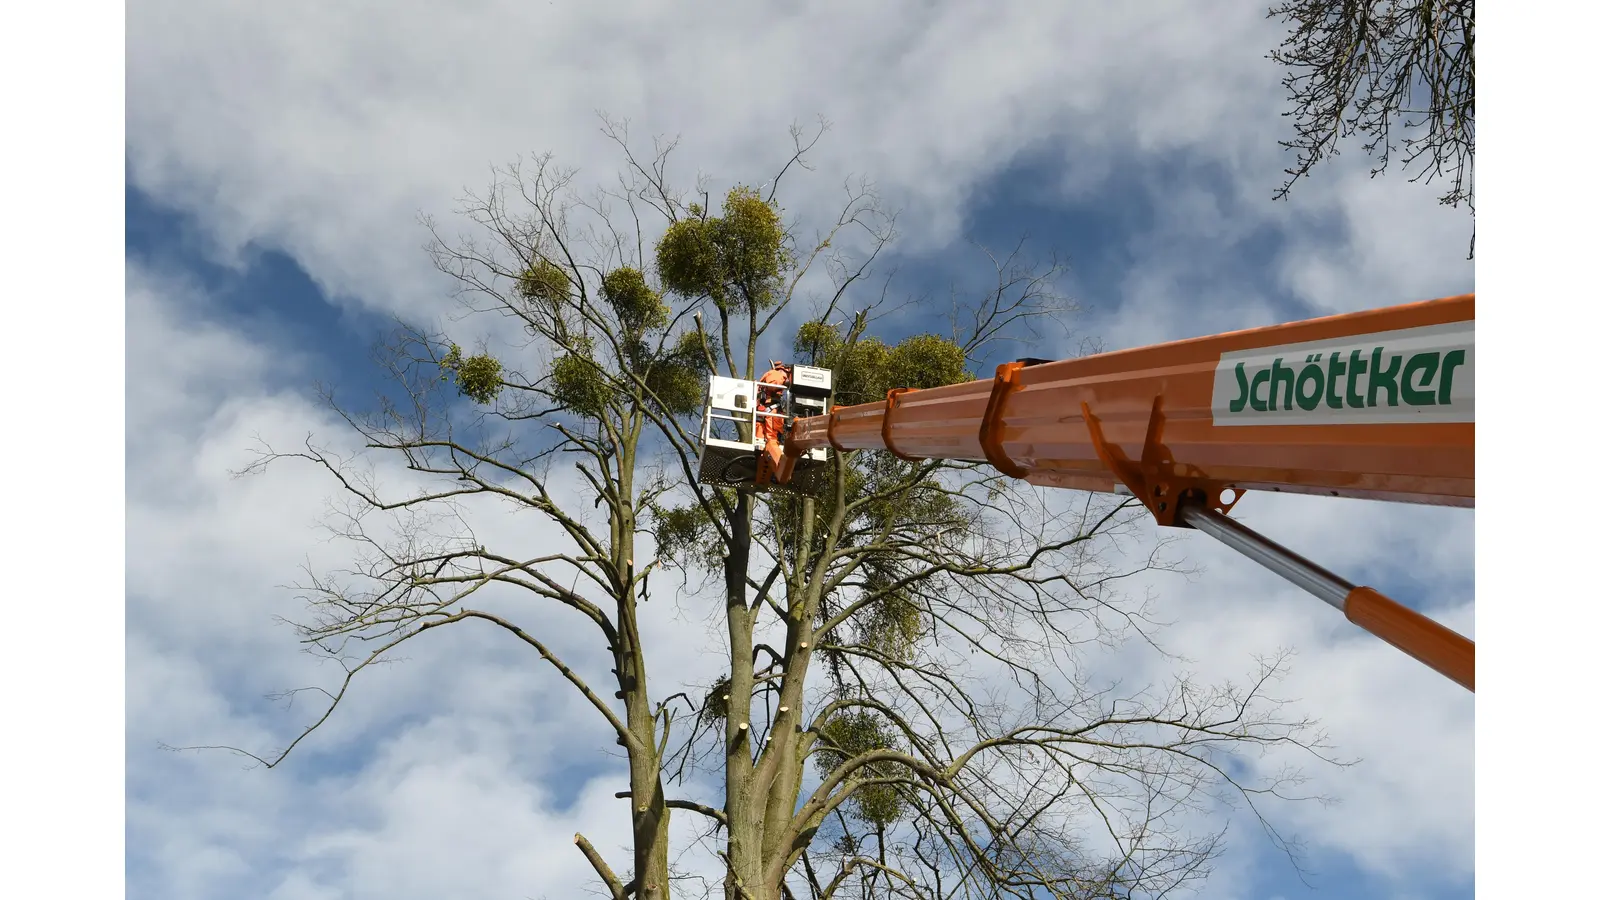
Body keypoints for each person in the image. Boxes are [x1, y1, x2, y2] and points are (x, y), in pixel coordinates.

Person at [755, 360, 791, 447]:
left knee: (760, 435)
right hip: (770, 409)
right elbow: (773, 384)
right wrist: (785, 382)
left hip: (763, 410)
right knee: (772, 436)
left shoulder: (771, 374)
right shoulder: (777, 374)